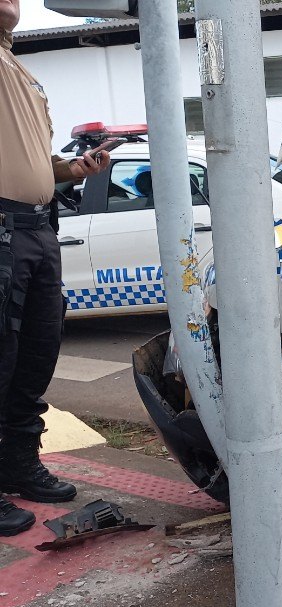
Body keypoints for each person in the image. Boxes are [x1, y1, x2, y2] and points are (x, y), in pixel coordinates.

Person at [1, 0, 111, 536]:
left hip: (37, 228)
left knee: (36, 353)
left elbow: (30, 162)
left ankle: (17, 464)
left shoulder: (17, 67)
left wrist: (71, 169)